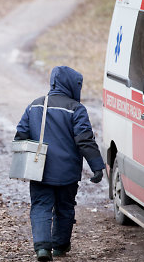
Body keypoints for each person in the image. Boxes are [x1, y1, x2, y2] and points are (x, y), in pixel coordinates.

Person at [14, 66, 105, 261]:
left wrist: (22, 164)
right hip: (68, 172)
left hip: (40, 169)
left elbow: (21, 134)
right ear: (72, 85)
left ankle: (42, 249)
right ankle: (60, 246)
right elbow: (84, 140)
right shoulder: (76, 109)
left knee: (40, 206)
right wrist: (97, 166)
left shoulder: (35, 106)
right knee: (65, 207)